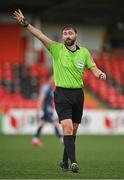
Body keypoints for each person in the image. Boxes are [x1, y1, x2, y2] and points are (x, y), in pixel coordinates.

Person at [13, 9, 106, 173]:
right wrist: (26, 23)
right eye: (65, 34)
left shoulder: (84, 52)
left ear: (75, 35)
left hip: (78, 95)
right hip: (62, 94)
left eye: (70, 33)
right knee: (67, 128)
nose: (67, 36)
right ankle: (74, 163)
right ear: (62, 37)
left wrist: (99, 74)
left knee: (74, 130)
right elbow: (40, 35)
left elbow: (93, 67)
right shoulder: (56, 49)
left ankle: (64, 162)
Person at [32, 75, 63, 147]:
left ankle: (35, 139)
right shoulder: (46, 87)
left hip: (48, 108)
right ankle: (61, 139)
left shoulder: (52, 88)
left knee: (42, 123)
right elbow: (41, 98)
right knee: (54, 122)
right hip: (46, 109)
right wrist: (39, 109)